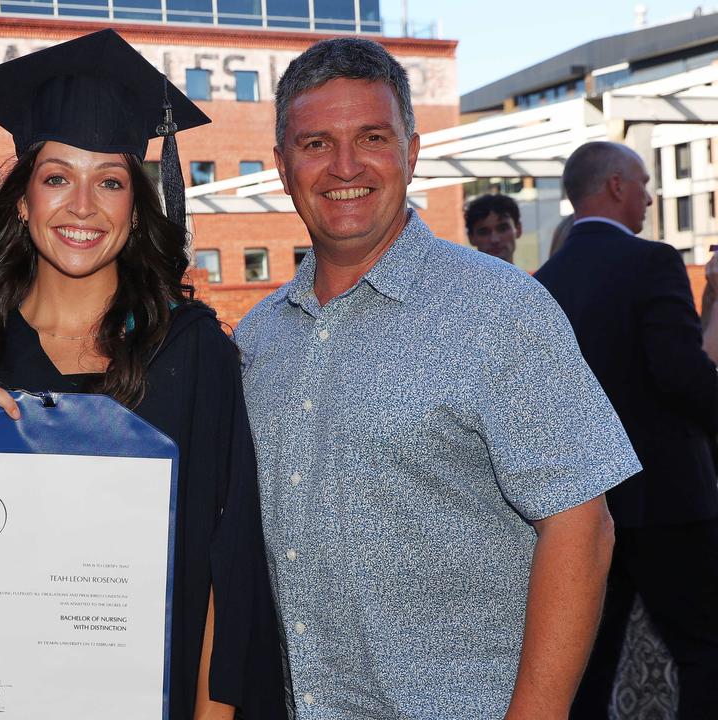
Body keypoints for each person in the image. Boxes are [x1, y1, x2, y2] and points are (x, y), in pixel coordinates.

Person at [236, 37, 640, 718]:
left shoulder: (499, 310)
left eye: (371, 137)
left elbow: (583, 528)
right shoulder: (257, 337)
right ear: (282, 166)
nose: (344, 166)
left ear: (412, 153)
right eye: (314, 145)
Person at [0, 29, 285, 720]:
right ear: (22, 199)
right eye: (57, 178)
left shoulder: (192, 354)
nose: (82, 206)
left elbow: (224, 569)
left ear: (135, 204)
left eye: (109, 181)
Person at [535, 141, 718, 719]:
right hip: (669, 500)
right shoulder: (652, 261)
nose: (648, 196)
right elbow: (679, 372)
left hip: (579, 510)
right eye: (643, 182)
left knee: (587, 662)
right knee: (707, 649)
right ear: (615, 186)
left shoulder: (538, 283)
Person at [464, 192, 522, 264]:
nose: (495, 240)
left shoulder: (534, 275)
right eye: (484, 232)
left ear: (518, 229)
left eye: (503, 229)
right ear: (471, 238)